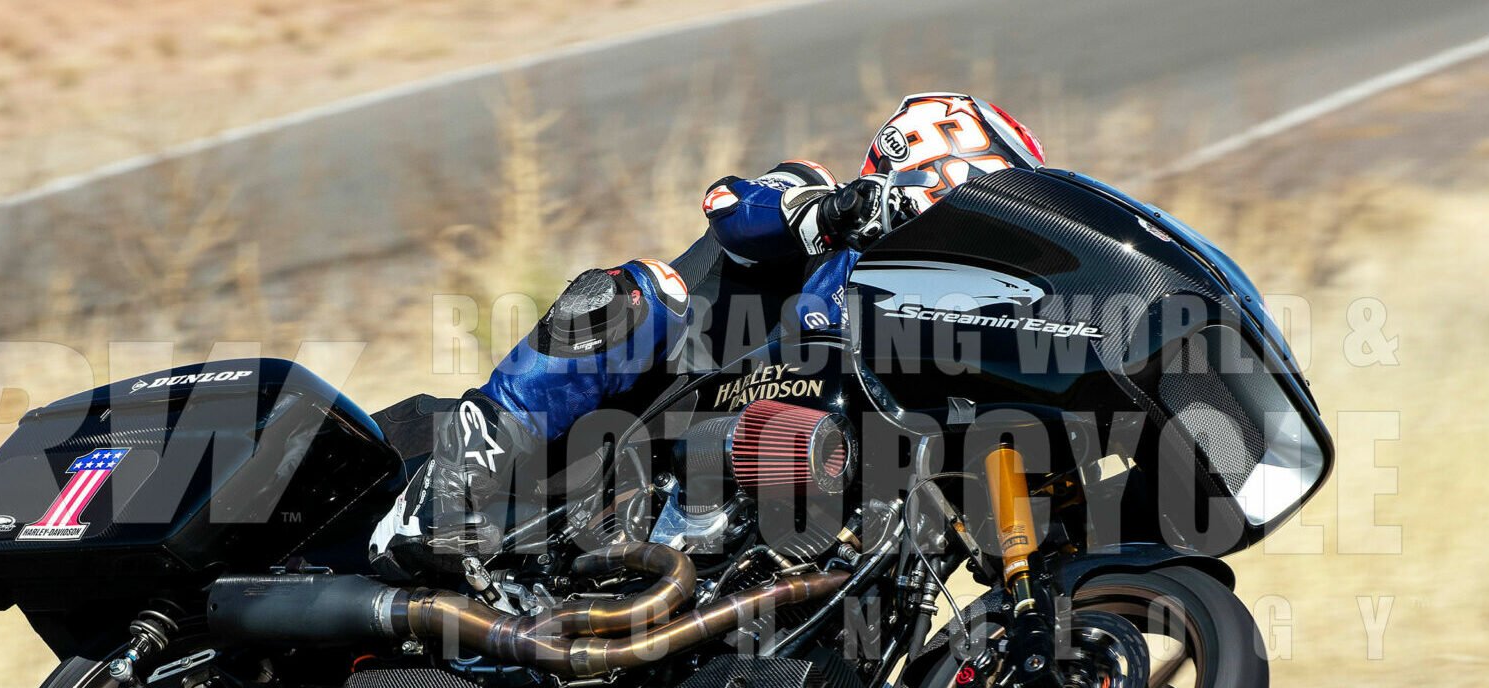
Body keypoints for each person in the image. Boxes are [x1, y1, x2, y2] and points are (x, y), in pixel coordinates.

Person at [371, 92, 1046, 580]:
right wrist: (834, 212)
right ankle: (449, 486)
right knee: (634, 294)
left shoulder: (941, 317)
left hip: (782, 506)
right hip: (665, 418)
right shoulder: (823, 205)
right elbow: (728, 205)